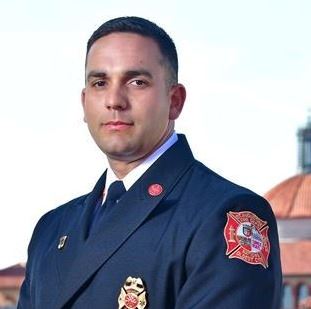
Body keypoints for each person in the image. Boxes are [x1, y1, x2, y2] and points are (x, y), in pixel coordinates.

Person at [18, 16, 282, 309]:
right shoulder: (51, 229)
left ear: (175, 101)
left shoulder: (223, 215)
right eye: (100, 82)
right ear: (84, 102)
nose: (114, 100)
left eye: (137, 82)